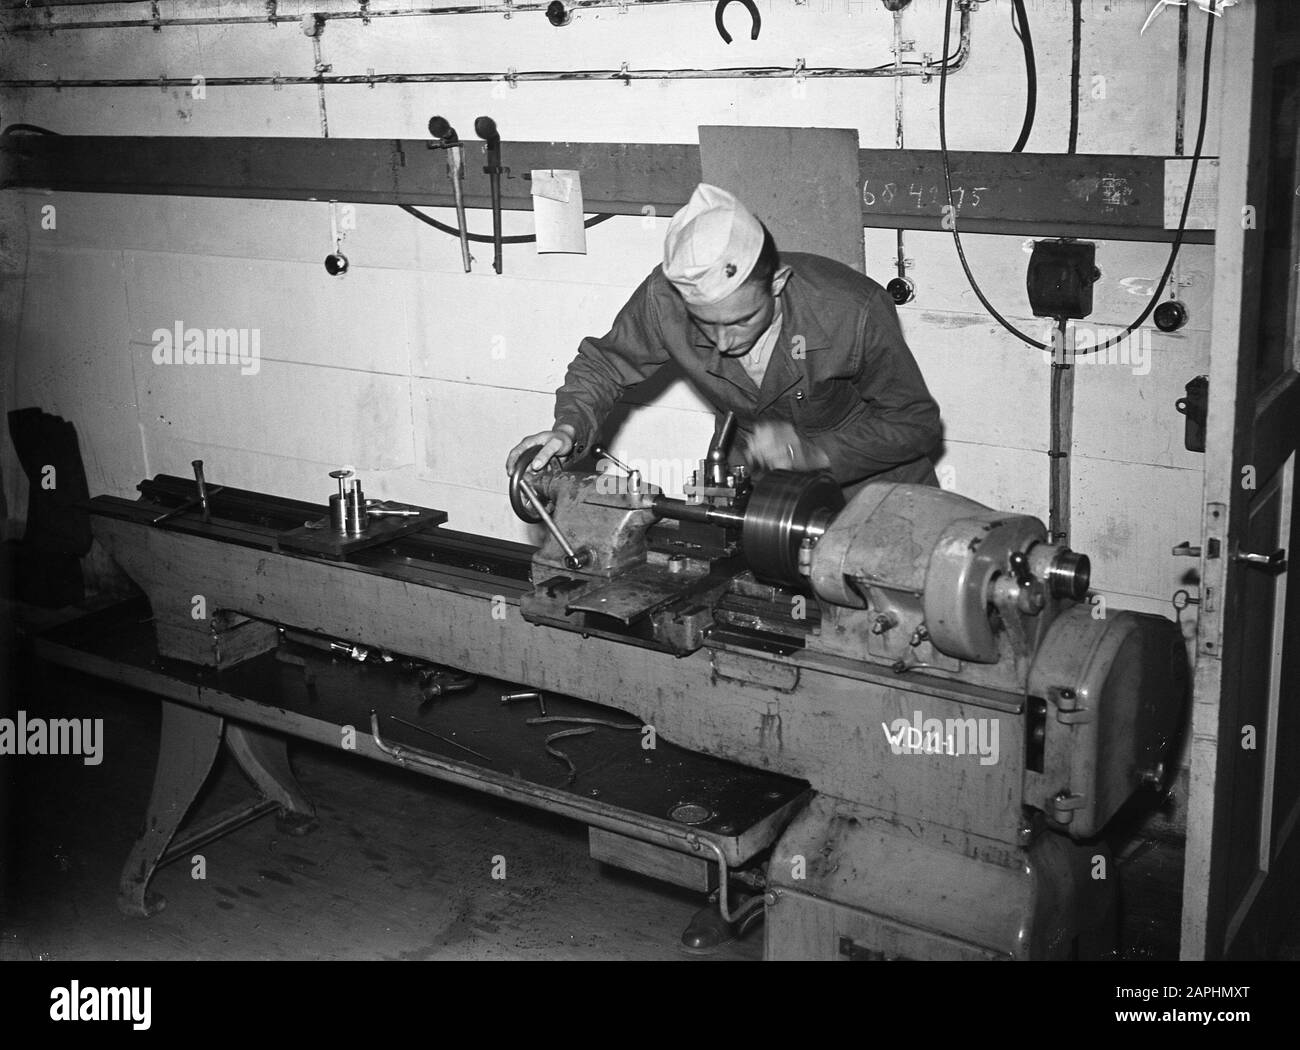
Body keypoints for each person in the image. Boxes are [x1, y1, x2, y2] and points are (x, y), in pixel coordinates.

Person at [505, 183, 942, 497]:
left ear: (777, 283)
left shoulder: (852, 309)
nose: (722, 344)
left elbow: (916, 424)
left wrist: (814, 453)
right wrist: (568, 427)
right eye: (703, 324)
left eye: (740, 321)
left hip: (875, 485)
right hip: (760, 482)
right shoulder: (665, 299)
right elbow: (604, 366)